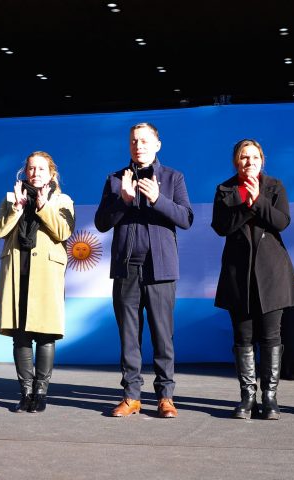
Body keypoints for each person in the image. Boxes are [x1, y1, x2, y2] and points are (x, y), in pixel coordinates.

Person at [94, 123, 193, 418]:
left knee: (163, 336)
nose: (138, 145)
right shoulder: (115, 179)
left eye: (145, 141)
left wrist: (158, 199)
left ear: (157, 144)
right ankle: (131, 396)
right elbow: (101, 223)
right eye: (134, 141)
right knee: (129, 335)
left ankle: (165, 397)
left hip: (161, 269)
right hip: (127, 269)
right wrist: (123, 201)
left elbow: (186, 218)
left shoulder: (173, 177)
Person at [211, 139, 294, 420]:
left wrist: (258, 200)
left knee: (271, 335)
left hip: (272, 272)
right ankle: (247, 397)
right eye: (243, 157)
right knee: (243, 337)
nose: (249, 162)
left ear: (262, 160)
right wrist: (246, 204)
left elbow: (281, 222)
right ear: (235, 162)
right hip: (238, 274)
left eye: (254, 157)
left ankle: (270, 398)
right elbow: (221, 227)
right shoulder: (225, 189)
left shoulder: (275, 186)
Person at [0, 151, 74, 413]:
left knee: (46, 335)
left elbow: (63, 231)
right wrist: (17, 208)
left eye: (40, 169)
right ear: (25, 172)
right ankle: (26, 393)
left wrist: (43, 205)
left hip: (46, 275)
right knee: (21, 336)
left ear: (51, 173)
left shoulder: (62, 200)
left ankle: (41, 393)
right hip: (18, 272)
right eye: (31, 168)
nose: (35, 173)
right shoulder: (11, 198)